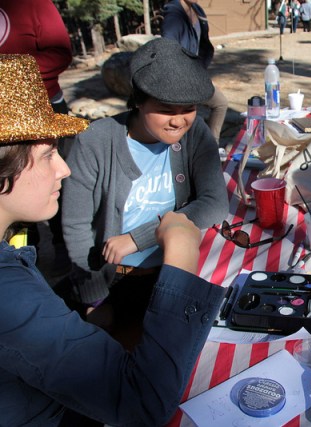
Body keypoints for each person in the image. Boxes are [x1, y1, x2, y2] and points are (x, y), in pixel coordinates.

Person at [0, 53, 225, 426]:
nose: (64, 168)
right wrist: (182, 253)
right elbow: (143, 401)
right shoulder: (9, 293)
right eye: (47, 156)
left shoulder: (14, 266)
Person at [60, 38, 229, 332]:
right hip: (111, 283)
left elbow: (215, 203)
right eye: (166, 109)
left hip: (171, 273)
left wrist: (138, 238)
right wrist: (94, 301)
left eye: (188, 108)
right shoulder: (96, 141)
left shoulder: (195, 133)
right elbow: (76, 227)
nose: (179, 121)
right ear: (138, 100)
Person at [0, 0, 75, 271]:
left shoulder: (33, 4)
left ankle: (61, 248)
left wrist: (13, 76)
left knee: (47, 179)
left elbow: (60, 52)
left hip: (37, 107)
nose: (64, 169)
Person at [161, 0, 229, 142]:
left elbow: (201, 44)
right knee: (186, 121)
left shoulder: (197, 11)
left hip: (195, 75)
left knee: (220, 103)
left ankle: (211, 146)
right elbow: (167, 51)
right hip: (180, 80)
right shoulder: (173, 17)